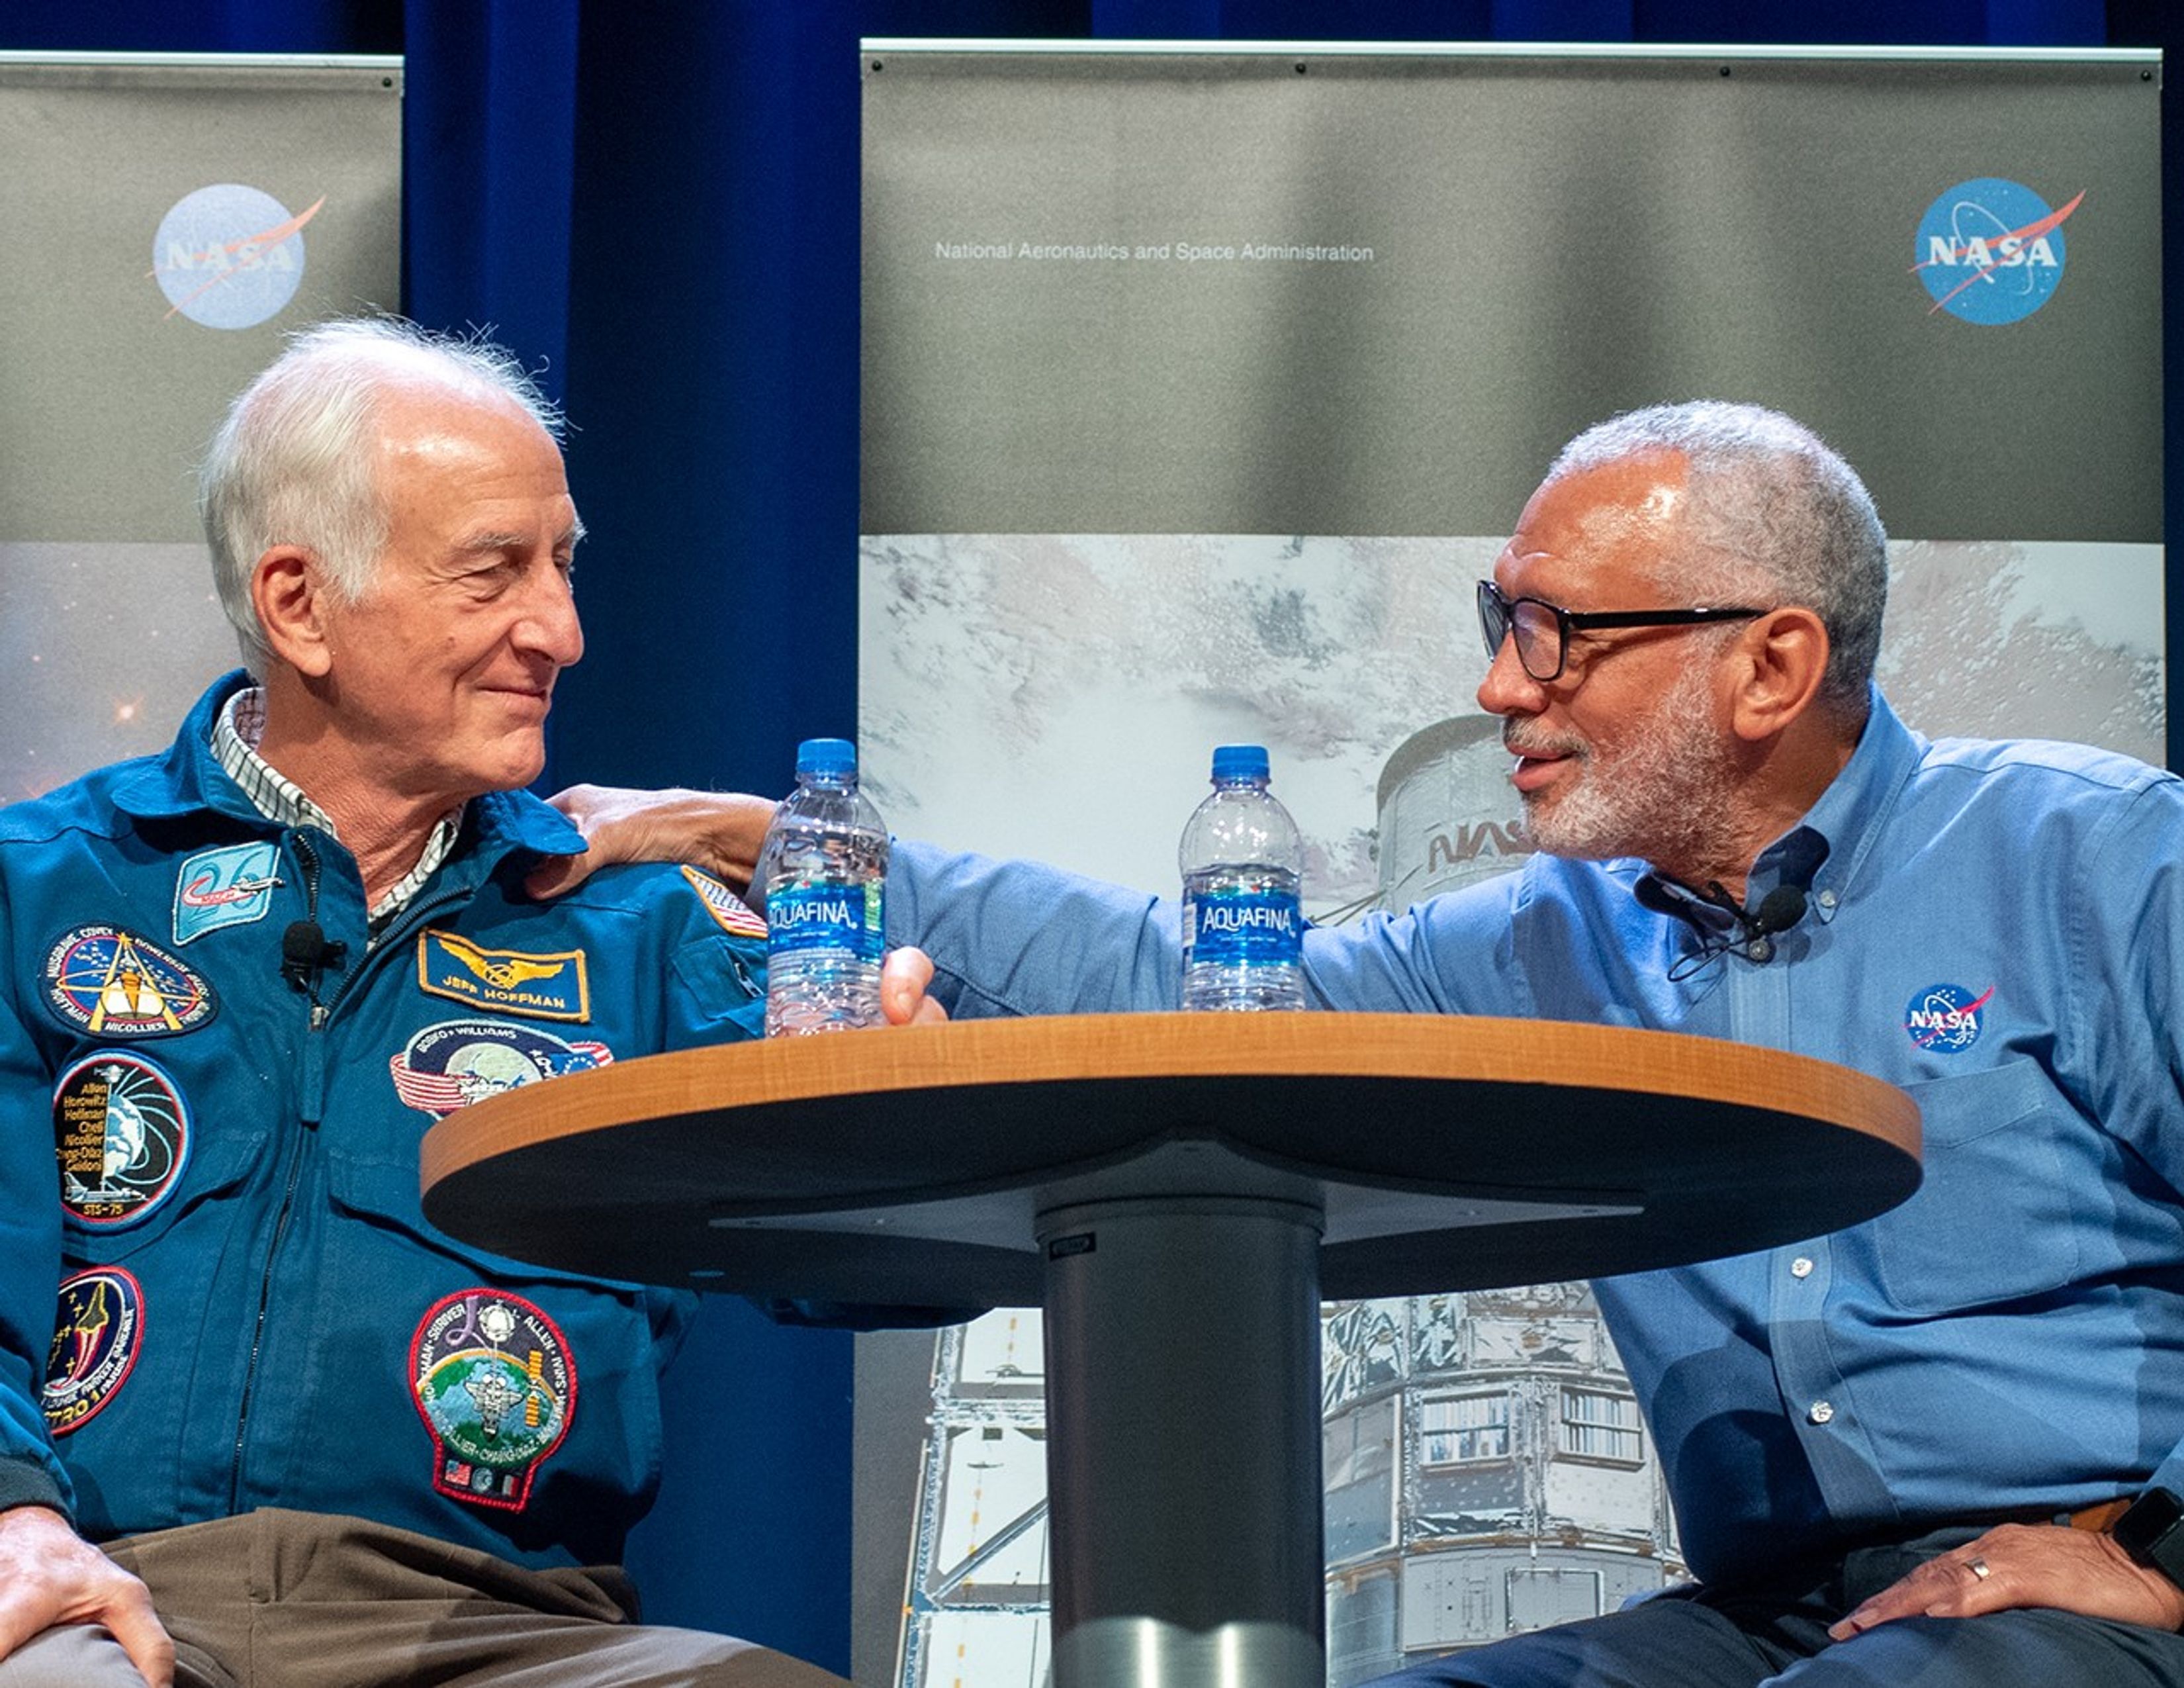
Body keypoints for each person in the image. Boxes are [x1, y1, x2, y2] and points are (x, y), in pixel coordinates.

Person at [549, 402, 2184, 1685]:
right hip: (1765, 1614)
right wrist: (800, 843)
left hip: (2067, 1591)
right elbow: (1179, 981)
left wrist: (2171, 1567)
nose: (1498, 684)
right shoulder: (1559, 932)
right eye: (1500, 619)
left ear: (1771, 664)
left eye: (1557, 633)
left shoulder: (2094, 860)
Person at [0, 318, 940, 1688]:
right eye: (494, 574)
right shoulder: (45, 891)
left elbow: (865, 1262)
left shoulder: (638, 934)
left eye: (563, 567)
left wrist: (899, 1116)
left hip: (506, 1631)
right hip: (113, 1595)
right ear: (299, 606)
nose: (560, 630)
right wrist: (14, 1518)